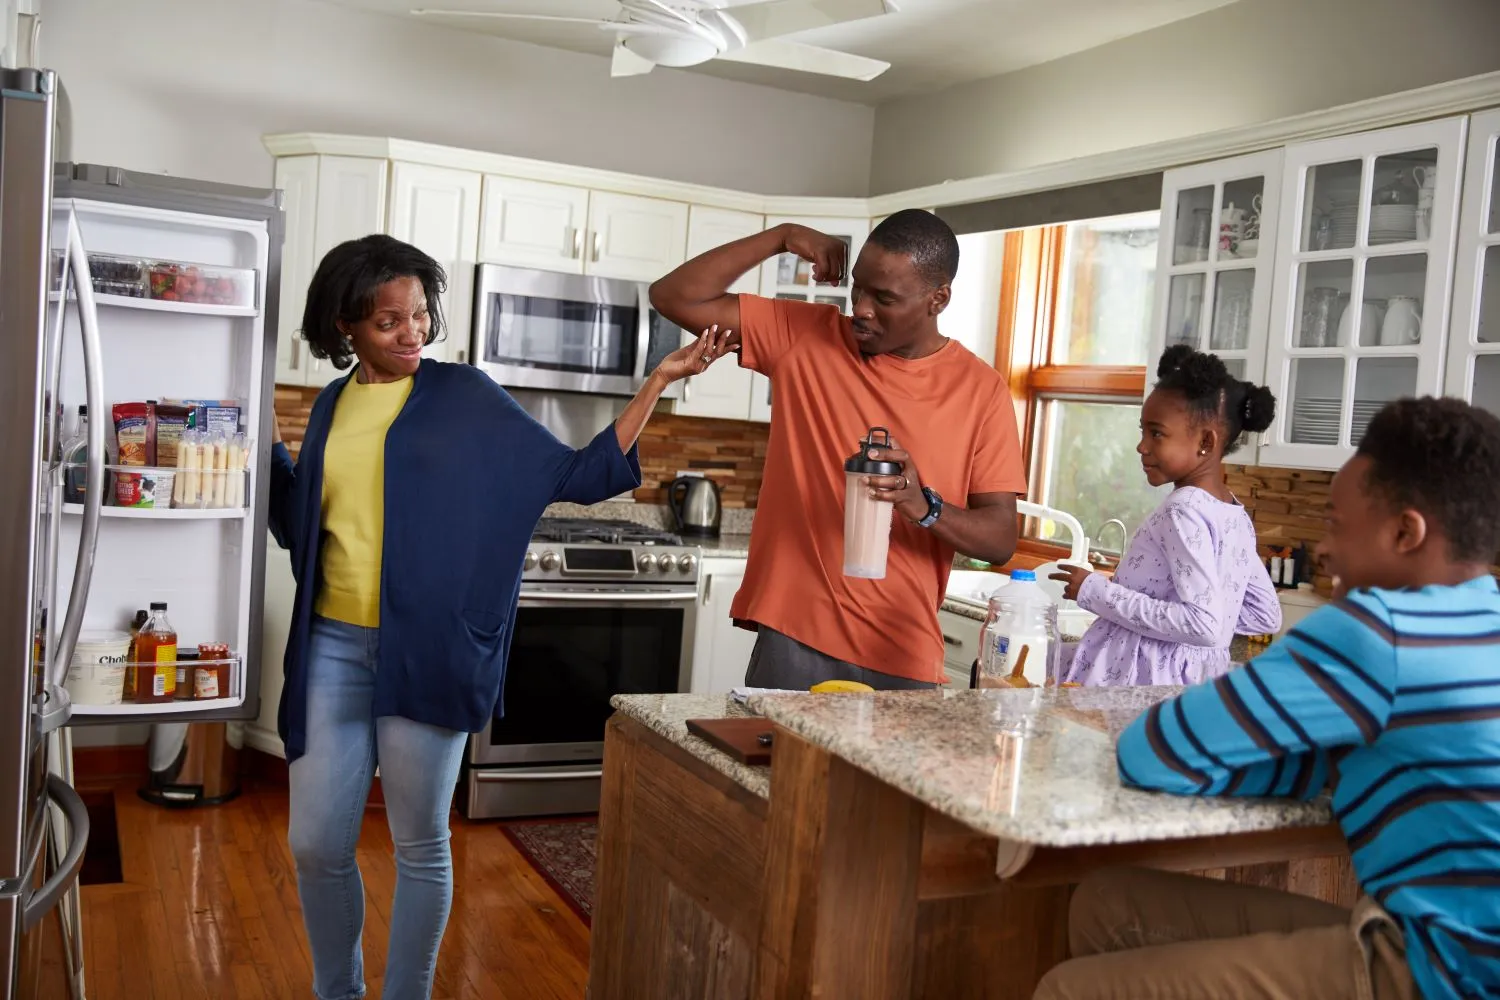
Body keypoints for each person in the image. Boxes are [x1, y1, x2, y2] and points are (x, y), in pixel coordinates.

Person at [267, 234, 725, 1000]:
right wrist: (270, 461)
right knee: (316, 843)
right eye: (389, 323)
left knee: (419, 843)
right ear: (344, 326)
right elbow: (303, 527)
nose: (412, 334)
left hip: (433, 648)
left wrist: (655, 384)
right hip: (333, 647)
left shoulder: (464, 395)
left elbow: (575, 475)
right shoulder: (329, 405)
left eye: (420, 315)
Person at [1034, 396, 1500, 1000]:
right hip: (1442, 943)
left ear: (1404, 533)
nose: (1324, 549)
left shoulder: (1374, 632)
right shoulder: (1482, 620)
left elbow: (1155, 751)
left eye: (1337, 523)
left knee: (1068, 990)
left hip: (1447, 974)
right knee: (1108, 902)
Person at [649, 210, 1027, 690]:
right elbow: (673, 296)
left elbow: (1000, 539)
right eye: (858, 289)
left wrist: (922, 504)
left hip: (902, 652)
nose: (862, 310)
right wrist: (782, 237)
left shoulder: (981, 391)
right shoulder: (804, 336)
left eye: (884, 298)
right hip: (794, 638)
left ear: (939, 299)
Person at [1051, 345, 1281, 686]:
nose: (1141, 446)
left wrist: (1094, 591)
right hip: (1194, 680)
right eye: (1142, 431)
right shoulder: (1232, 512)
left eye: (1156, 433)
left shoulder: (1184, 508)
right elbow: (1265, 616)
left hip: (1144, 677)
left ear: (1205, 442)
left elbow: (1202, 624)